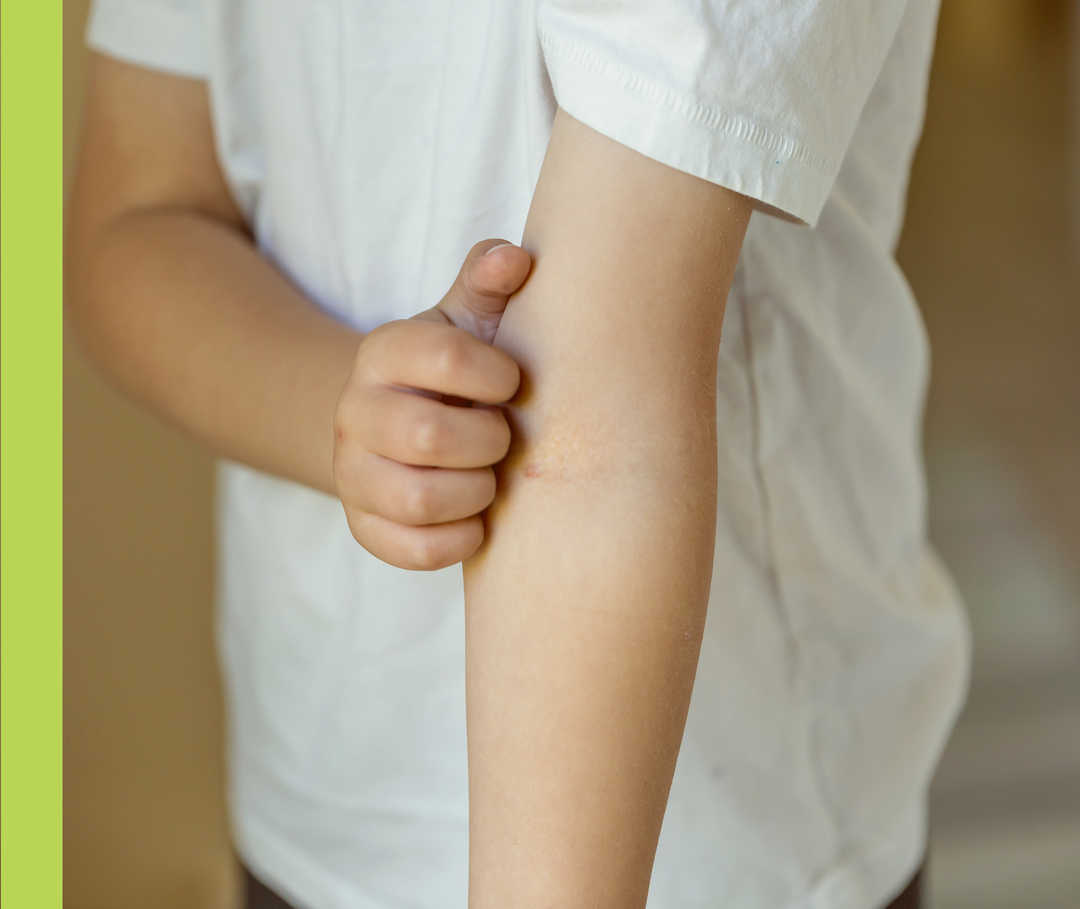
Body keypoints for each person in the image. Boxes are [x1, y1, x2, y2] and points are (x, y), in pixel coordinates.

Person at [66, 1, 971, 907]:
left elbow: (589, 423)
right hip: (318, 793)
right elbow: (139, 213)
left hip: (714, 849)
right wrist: (357, 417)